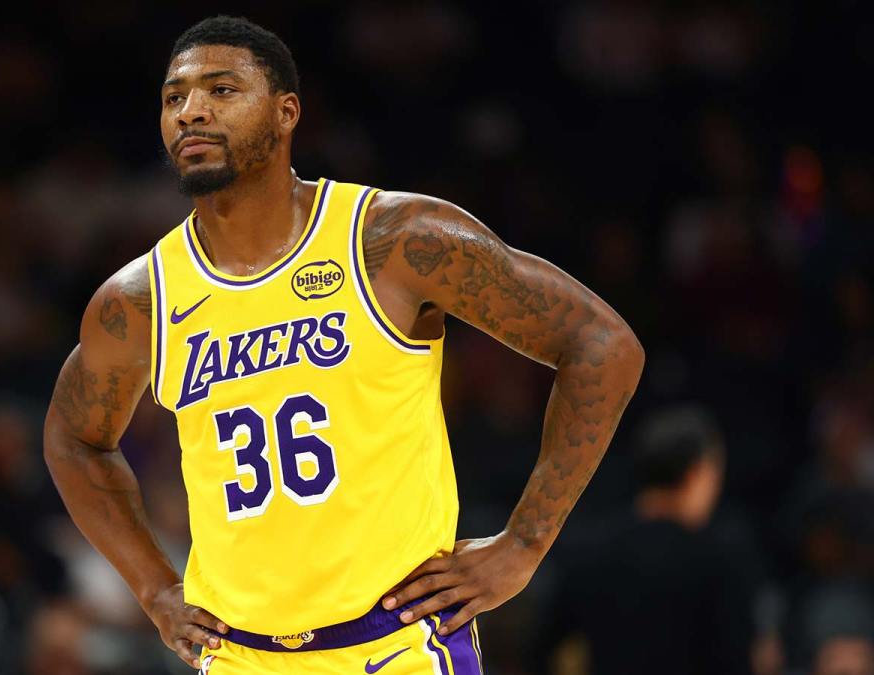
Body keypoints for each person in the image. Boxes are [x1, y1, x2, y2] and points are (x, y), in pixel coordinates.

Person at [43, 15, 644, 674]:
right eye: (173, 97)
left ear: (286, 112)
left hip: (399, 647)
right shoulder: (141, 299)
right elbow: (74, 438)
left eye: (221, 90)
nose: (191, 111)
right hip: (241, 656)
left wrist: (525, 541)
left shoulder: (393, 240)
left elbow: (601, 343)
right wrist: (156, 589)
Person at [534, 405, 755, 675]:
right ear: (696, 473)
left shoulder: (589, 551)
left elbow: (544, 649)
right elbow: (733, 660)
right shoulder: (718, 563)